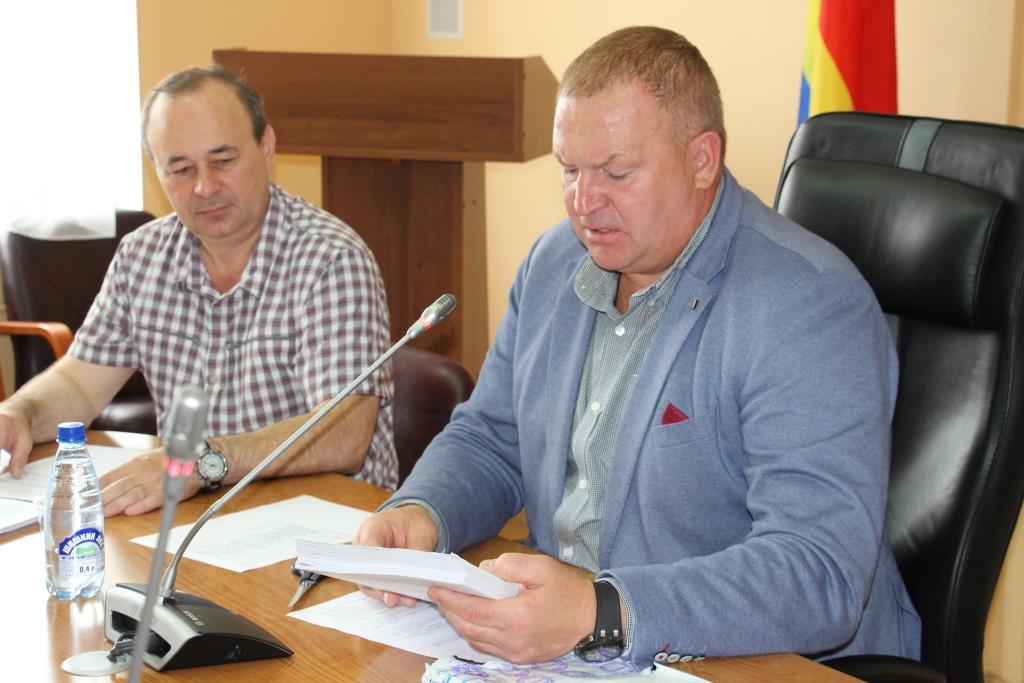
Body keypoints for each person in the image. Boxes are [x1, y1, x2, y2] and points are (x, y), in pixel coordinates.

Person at [352, 26, 921, 667]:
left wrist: (602, 610)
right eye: (569, 169)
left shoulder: (806, 304)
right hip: (563, 646)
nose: (583, 202)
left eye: (616, 173)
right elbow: (494, 437)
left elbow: (819, 572)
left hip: (754, 660)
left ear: (702, 160)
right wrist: (422, 510)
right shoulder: (552, 264)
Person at [0, 65, 397, 514]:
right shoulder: (142, 255)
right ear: (157, 171)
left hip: (326, 520)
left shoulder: (330, 257)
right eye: (181, 169)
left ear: (266, 147)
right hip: (198, 518)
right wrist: (19, 414)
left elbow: (345, 433)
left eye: (222, 160)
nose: (205, 187)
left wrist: (203, 461)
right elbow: (78, 384)